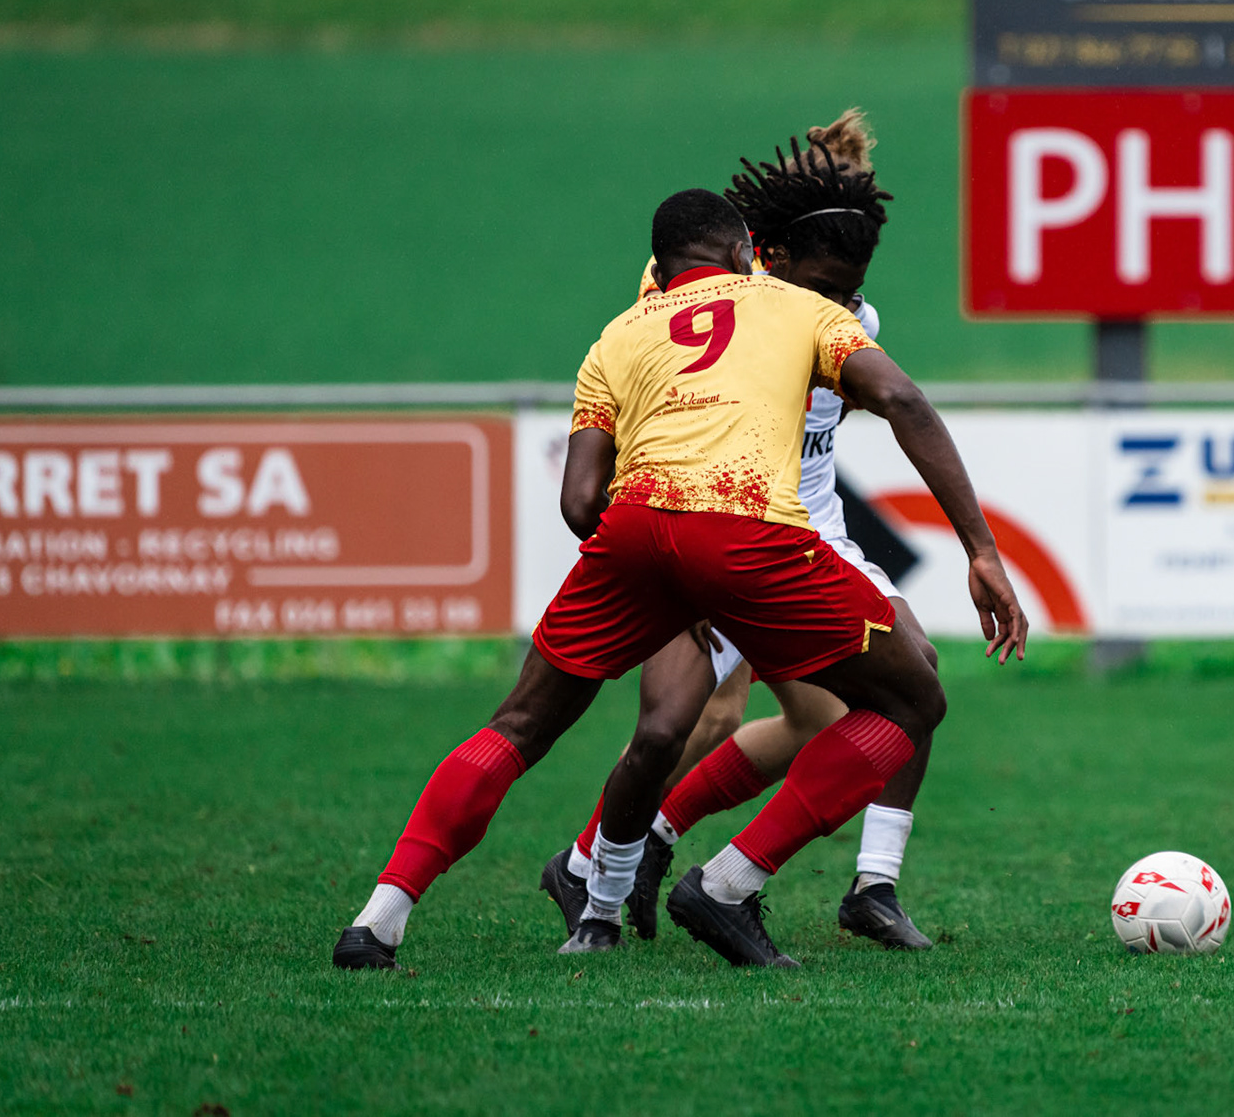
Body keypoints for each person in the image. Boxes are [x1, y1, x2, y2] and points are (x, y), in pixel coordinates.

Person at [332, 186, 1027, 971]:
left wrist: (668, 572)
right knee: (910, 698)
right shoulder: (797, 311)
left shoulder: (620, 334)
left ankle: (378, 919)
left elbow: (578, 500)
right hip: (748, 525)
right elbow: (900, 397)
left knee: (522, 722)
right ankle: (726, 885)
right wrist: (982, 550)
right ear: (747, 256)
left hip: (634, 529)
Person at [539, 115, 941, 954]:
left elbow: (887, 403)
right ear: (770, 246)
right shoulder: (700, 295)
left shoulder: (848, 311)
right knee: (698, 721)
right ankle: (605, 862)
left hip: (807, 524)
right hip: (718, 513)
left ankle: (870, 882)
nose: (841, 283)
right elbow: (643, 391)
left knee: (875, 697)